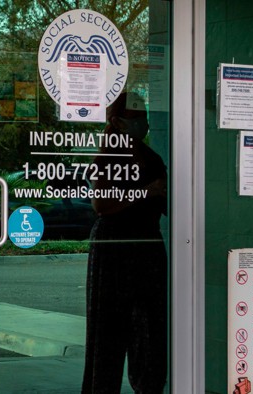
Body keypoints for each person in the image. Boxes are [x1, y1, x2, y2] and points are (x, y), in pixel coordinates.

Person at [82, 92, 168, 393]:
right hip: (116, 246)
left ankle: (149, 386)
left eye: (145, 115)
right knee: (110, 329)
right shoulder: (110, 153)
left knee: (150, 327)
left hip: (147, 244)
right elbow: (101, 205)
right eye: (138, 115)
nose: (144, 122)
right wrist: (147, 192)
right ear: (119, 121)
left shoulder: (148, 155)